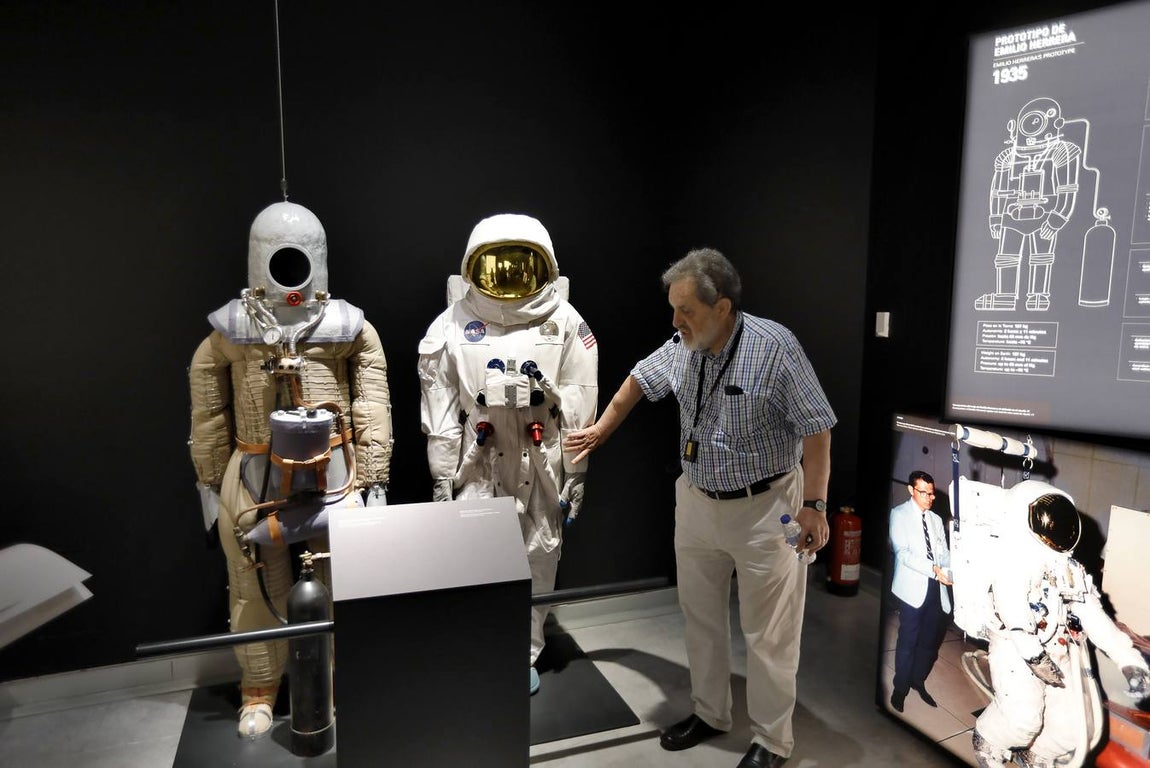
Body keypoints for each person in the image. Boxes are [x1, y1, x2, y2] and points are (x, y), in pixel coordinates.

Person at [562, 247, 836, 768]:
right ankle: (711, 713)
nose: (675, 320)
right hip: (696, 502)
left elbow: (817, 429)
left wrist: (815, 505)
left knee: (769, 632)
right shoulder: (684, 345)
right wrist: (601, 429)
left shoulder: (775, 349)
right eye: (673, 308)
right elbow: (640, 380)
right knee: (700, 617)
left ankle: (773, 741)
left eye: (685, 309)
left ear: (722, 308)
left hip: (765, 508)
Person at [188, 201, 394, 738]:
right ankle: (259, 688)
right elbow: (208, 411)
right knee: (253, 584)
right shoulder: (228, 334)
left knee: (339, 581)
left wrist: (374, 478)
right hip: (254, 474)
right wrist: (211, 481)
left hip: (336, 475)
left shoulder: (349, 327)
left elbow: (372, 403)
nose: (289, 270)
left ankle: (335, 677)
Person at [417, 213, 598, 696]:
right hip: (478, 456)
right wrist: (441, 477)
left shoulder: (566, 322)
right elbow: (439, 409)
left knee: (539, 553)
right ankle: (478, 643)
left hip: (541, 455)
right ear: (473, 267)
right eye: (497, 266)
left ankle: (525, 650)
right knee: (473, 553)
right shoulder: (451, 324)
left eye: (523, 266)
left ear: (546, 266)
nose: (510, 277)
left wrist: (576, 474)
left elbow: (581, 402)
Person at [966, 479, 1149, 768]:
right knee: (1023, 718)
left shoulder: (1068, 567)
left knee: (1075, 726)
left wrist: (1129, 661)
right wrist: (1033, 655)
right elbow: (1014, 616)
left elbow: (1093, 614)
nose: (1056, 530)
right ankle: (987, 739)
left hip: (1057, 648)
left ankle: (1038, 754)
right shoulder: (1010, 564)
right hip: (1016, 648)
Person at [888, 470, 953, 713]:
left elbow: (944, 552)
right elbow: (902, 553)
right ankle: (900, 688)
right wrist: (934, 569)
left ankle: (917, 681)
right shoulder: (899, 515)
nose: (929, 497)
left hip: (936, 590)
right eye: (923, 492)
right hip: (913, 589)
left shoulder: (936, 520)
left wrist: (949, 571)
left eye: (932, 493)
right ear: (911, 490)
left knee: (928, 642)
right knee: (908, 641)